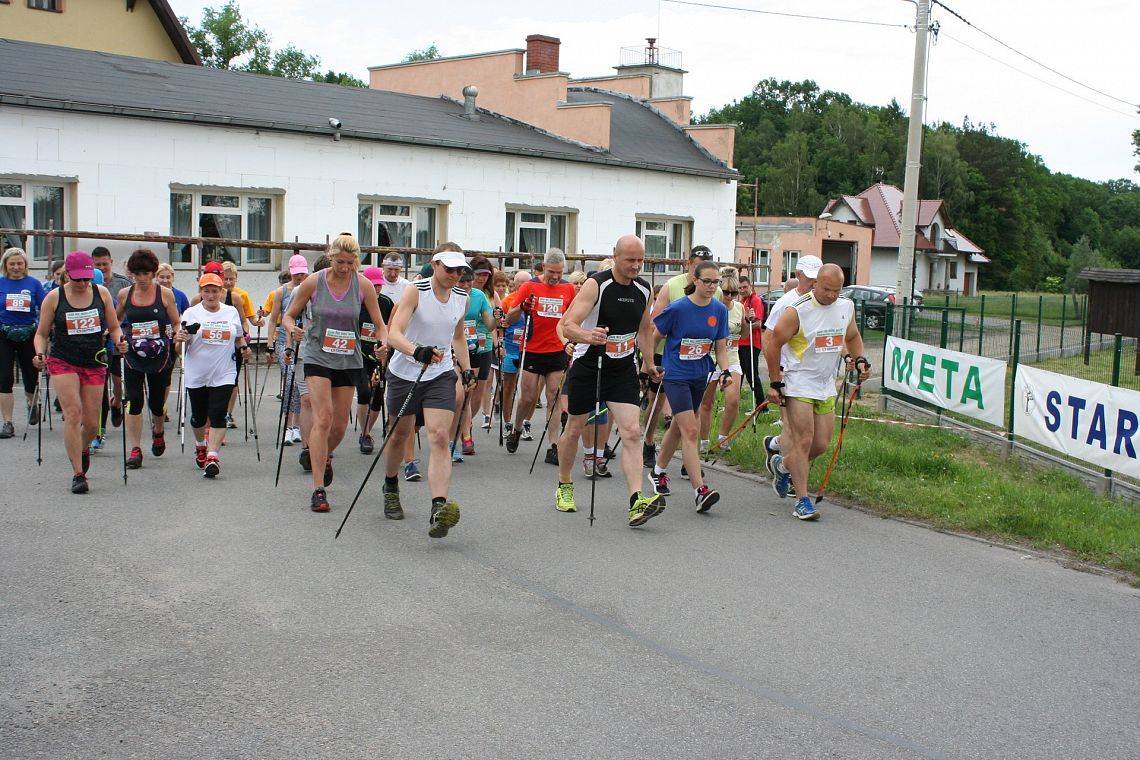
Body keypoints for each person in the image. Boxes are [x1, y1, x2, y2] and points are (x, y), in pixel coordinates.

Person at [555, 235, 666, 525]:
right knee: (576, 428)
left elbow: (644, 329)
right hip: (590, 363)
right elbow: (568, 325)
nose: (636, 265)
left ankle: (636, 501)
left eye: (640, 260)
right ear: (615, 256)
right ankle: (565, 485)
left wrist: (649, 363)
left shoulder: (644, 288)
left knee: (631, 432)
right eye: (630, 259)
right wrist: (587, 336)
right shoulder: (597, 284)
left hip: (622, 368)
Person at [283, 234, 388, 513]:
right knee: (324, 417)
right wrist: (292, 328)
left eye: (350, 263)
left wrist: (383, 343)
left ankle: (325, 455)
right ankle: (318, 489)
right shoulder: (314, 281)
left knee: (340, 425)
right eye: (340, 262)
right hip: (317, 354)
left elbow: (380, 324)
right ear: (331, 258)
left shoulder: (362, 284)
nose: (344, 267)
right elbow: (289, 314)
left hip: (348, 358)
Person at [381, 243, 475, 538]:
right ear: (435, 265)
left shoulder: (462, 297)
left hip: (440, 373)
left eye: (460, 270)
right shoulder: (416, 291)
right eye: (449, 269)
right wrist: (416, 350)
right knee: (399, 434)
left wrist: (467, 367)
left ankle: (438, 506)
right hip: (405, 372)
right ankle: (391, 483)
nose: (455, 275)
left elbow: (458, 336)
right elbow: (394, 334)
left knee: (439, 435)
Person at [764, 263, 870, 520]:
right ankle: (802, 500)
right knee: (803, 440)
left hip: (825, 384)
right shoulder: (797, 310)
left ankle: (782, 465)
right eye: (826, 289)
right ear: (815, 284)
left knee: (821, 444)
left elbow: (852, 336)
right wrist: (776, 381)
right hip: (798, 380)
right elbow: (772, 343)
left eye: (837, 290)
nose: (832, 295)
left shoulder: (846, 307)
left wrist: (860, 359)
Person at [32, 251, 126, 494]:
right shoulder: (54, 298)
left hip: (94, 360)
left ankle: (83, 449)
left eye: (87, 278)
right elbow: (42, 333)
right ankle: (78, 473)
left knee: (93, 424)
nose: (84, 284)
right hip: (63, 360)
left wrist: (120, 340)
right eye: (78, 279)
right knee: (73, 413)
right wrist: (40, 353)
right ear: (67, 276)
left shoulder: (101, 293)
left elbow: (114, 327)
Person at [649, 260, 731, 513]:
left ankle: (658, 470)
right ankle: (700, 490)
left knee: (678, 426)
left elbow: (720, 345)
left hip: (700, 374)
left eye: (715, 282)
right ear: (694, 281)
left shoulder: (719, 310)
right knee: (691, 430)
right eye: (706, 281)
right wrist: (648, 364)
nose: (711, 286)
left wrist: (725, 370)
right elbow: (655, 336)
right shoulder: (678, 308)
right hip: (675, 375)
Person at [643, 245, 717, 468]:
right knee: (657, 405)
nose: (700, 270)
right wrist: (648, 360)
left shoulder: (714, 289)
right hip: (665, 354)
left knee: (690, 413)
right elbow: (655, 323)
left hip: (694, 361)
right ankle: (648, 442)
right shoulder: (671, 285)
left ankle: (688, 458)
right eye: (696, 265)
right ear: (688, 265)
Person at [175, 272, 252, 478]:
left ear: (221, 292)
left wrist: (244, 347)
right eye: (206, 291)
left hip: (224, 371)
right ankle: (201, 445)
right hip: (197, 372)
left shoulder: (230, 312)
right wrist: (180, 338)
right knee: (198, 417)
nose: (211, 295)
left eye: (215, 291)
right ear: (201, 292)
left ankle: (212, 455)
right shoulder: (191, 313)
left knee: (218, 414)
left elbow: (238, 338)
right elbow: (178, 348)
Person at [503, 249, 576, 454]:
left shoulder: (569, 289)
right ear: (543, 267)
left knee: (553, 396)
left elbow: (573, 317)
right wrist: (523, 308)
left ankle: (554, 444)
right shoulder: (529, 286)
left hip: (557, 349)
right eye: (552, 272)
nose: (555, 277)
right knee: (528, 398)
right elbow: (509, 318)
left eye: (559, 273)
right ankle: (516, 429)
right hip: (532, 349)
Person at [114, 248, 181, 469]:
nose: (142, 278)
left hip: (160, 355)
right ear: (131, 273)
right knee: (134, 400)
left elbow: (176, 321)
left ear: (153, 273)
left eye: (146, 273)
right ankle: (135, 449)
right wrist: (118, 339)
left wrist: (178, 336)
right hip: (133, 354)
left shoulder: (165, 294)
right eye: (137, 274)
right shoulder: (125, 294)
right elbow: (116, 321)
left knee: (156, 402)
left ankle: (158, 431)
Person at [760, 257, 821, 468]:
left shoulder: (822, 303)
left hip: (812, 376)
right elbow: (768, 339)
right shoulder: (787, 303)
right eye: (810, 278)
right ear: (798, 276)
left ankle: (773, 445)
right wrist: (775, 375)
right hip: (788, 373)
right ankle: (788, 474)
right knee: (792, 429)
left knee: (809, 432)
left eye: (817, 279)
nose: (814, 283)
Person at [0, 247, 45, 438]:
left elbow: (45, 308)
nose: (16, 267)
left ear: (25, 265)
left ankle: (32, 403)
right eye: (12, 264)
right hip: (4, 333)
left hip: (29, 333)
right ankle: (7, 422)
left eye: (19, 263)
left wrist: (44, 331)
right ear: (5, 266)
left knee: (30, 375)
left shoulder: (34, 284)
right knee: (4, 378)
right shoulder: (1, 283)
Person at [453, 266, 496, 459]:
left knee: (469, 395)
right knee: (458, 395)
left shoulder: (478, 296)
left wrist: (499, 319)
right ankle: (457, 436)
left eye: (469, 281)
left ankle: (465, 432)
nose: (466, 285)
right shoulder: (450, 294)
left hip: (475, 348)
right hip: (453, 351)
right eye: (462, 281)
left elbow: (490, 323)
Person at [698, 272, 744, 452]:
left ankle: (723, 437)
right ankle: (703, 441)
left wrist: (748, 322)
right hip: (711, 357)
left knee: (733, 400)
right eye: (726, 292)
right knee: (707, 403)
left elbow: (744, 334)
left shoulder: (739, 307)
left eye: (734, 293)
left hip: (732, 356)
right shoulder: (712, 307)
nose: (729, 296)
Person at [270, 255, 311, 445]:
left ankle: (297, 426)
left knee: (300, 387)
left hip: (304, 339)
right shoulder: (281, 292)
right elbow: (274, 319)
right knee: (289, 382)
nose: (300, 278)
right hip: (284, 339)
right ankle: (288, 426)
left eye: (303, 274)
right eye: (296, 275)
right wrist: (271, 345)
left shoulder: (311, 289)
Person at [356, 266, 395, 454]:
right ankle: (364, 434)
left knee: (378, 396)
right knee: (364, 393)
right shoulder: (357, 302)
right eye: (373, 286)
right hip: (360, 355)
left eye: (379, 286)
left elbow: (392, 329)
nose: (376, 289)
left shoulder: (387, 303)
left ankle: (367, 431)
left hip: (381, 356)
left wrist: (387, 350)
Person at [92, 247, 131, 431]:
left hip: (117, 338)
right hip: (98, 342)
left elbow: (129, 311)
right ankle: (99, 425)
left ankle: (116, 402)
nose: (102, 267)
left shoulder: (123, 284)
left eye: (104, 264)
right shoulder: (88, 282)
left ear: (111, 262)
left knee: (118, 380)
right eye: (98, 264)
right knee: (100, 383)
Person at [497, 270, 531, 441]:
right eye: (521, 283)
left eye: (528, 283)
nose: (525, 286)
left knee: (529, 389)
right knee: (509, 386)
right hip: (511, 348)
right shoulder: (508, 301)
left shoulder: (535, 300)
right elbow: (500, 325)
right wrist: (500, 343)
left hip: (529, 349)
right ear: (515, 284)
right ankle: (508, 421)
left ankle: (525, 423)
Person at [737, 276, 766, 399]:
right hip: (741, 343)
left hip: (751, 343)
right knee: (739, 374)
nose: (742, 290)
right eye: (740, 288)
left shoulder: (755, 300)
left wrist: (741, 328)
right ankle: (735, 403)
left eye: (745, 287)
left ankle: (762, 407)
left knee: (751, 375)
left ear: (750, 286)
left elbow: (758, 324)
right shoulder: (742, 301)